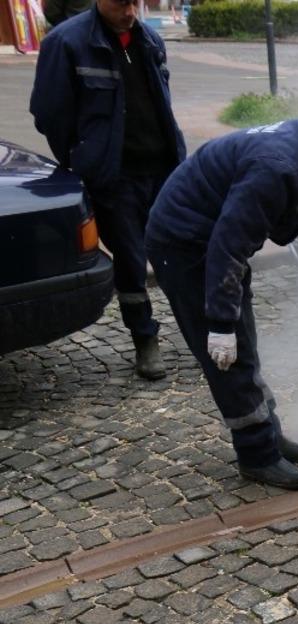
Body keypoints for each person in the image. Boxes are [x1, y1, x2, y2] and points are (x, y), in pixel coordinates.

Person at [143, 107, 298, 491]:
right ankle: (257, 456)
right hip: (183, 243)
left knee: (245, 347)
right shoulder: (278, 167)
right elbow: (228, 246)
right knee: (229, 359)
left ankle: (269, 434)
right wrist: (218, 324)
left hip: (214, 241)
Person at [30, 0, 185, 380]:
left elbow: (161, 102)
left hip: (164, 170)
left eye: (135, 1)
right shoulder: (66, 43)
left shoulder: (149, 39)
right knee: (132, 263)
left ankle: (201, 332)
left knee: (182, 253)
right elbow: (49, 113)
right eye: (120, 2)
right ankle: (144, 339)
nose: (129, 10)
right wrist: (84, 157)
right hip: (114, 178)